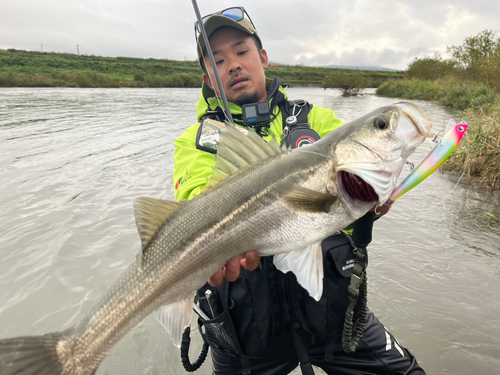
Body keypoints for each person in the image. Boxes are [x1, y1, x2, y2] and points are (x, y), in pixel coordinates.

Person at [173, 6, 426, 375]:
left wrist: (374, 201)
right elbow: (193, 204)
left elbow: (353, 195)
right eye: (218, 60)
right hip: (245, 331)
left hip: (333, 317)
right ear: (209, 79)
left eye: (242, 52)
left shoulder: (319, 121)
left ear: (262, 57)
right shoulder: (193, 143)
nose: (233, 65)